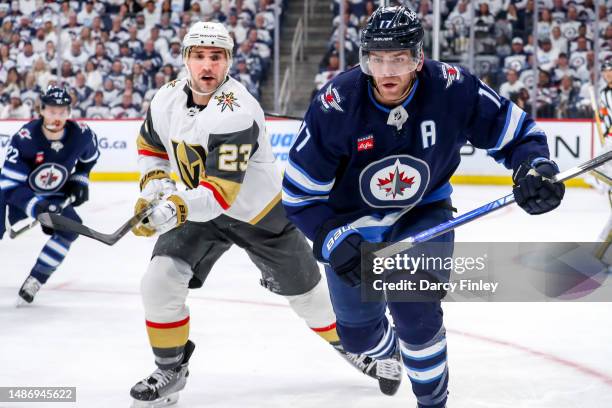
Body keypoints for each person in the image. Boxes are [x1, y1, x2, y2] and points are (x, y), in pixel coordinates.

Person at [281, 6, 566, 408]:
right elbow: (299, 197)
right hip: (352, 224)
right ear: (363, 58)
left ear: (418, 58)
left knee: (415, 309)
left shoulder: (452, 88)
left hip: (423, 211)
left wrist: (533, 168)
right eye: (376, 59)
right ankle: (391, 353)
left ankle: (432, 403)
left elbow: (517, 133)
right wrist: (331, 239)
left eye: (398, 58)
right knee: (358, 337)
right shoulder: (336, 105)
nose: (387, 71)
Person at [128, 21, 388, 408]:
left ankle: (358, 347)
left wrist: (174, 207)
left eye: (216, 57)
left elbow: (220, 193)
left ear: (228, 61)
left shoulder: (236, 110)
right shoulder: (164, 99)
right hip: (199, 212)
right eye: (198, 56)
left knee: (309, 299)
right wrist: (154, 189)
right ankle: (170, 370)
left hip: (259, 215)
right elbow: (152, 148)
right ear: (185, 59)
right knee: (159, 282)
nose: (207, 66)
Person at [0, 86, 99, 305]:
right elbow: (9, 185)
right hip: (15, 196)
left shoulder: (81, 135)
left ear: (69, 113)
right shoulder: (25, 138)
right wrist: (38, 208)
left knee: (70, 229)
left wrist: (80, 178)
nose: (57, 117)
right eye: (52, 111)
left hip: (53, 195)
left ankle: (36, 278)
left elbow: (91, 157)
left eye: (62, 111)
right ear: (42, 110)